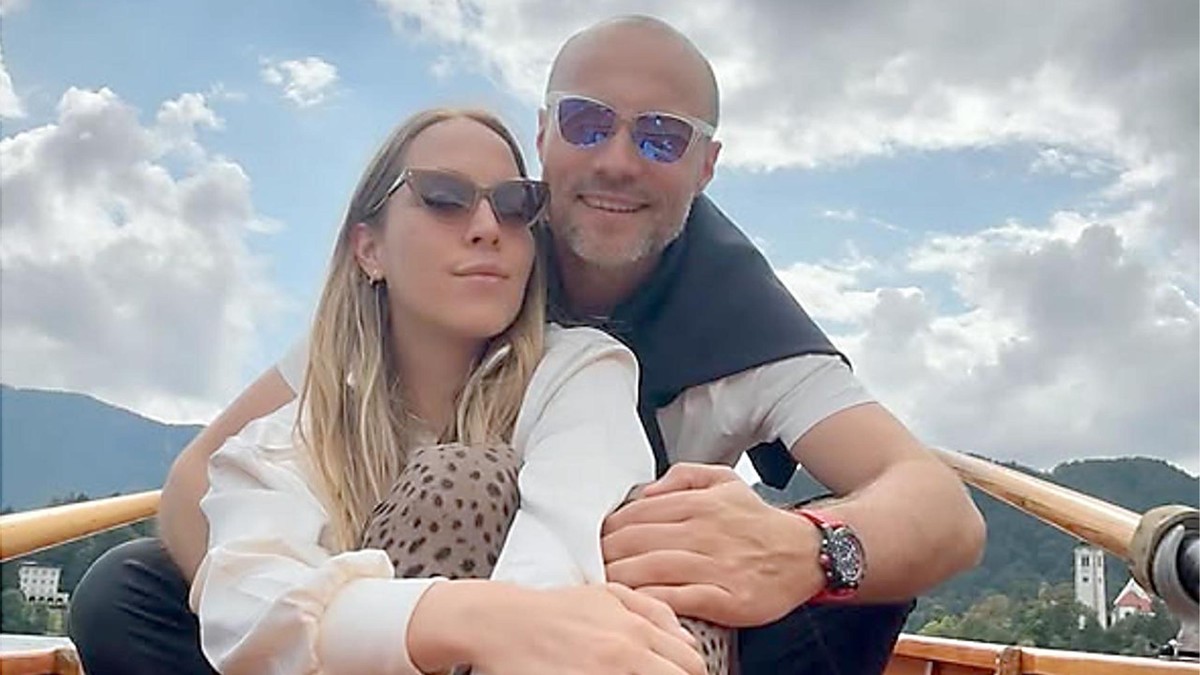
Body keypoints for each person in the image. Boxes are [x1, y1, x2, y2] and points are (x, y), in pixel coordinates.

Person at [71, 15, 986, 675]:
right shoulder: (459, 261)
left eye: (662, 137)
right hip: (404, 567)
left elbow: (940, 508)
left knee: (855, 580)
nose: (618, 159)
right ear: (544, 137)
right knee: (124, 592)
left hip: (631, 613)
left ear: (707, 166)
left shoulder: (736, 326)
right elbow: (206, 479)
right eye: (588, 123)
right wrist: (332, 596)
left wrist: (807, 551)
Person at [76, 107, 711, 675]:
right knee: (121, 589)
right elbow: (247, 600)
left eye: (515, 204)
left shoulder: (581, 371)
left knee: (464, 483)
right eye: (444, 197)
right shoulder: (294, 437)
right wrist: (464, 619)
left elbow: (568, 545)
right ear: (369, 249)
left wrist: (500, 624)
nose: (487, 226)